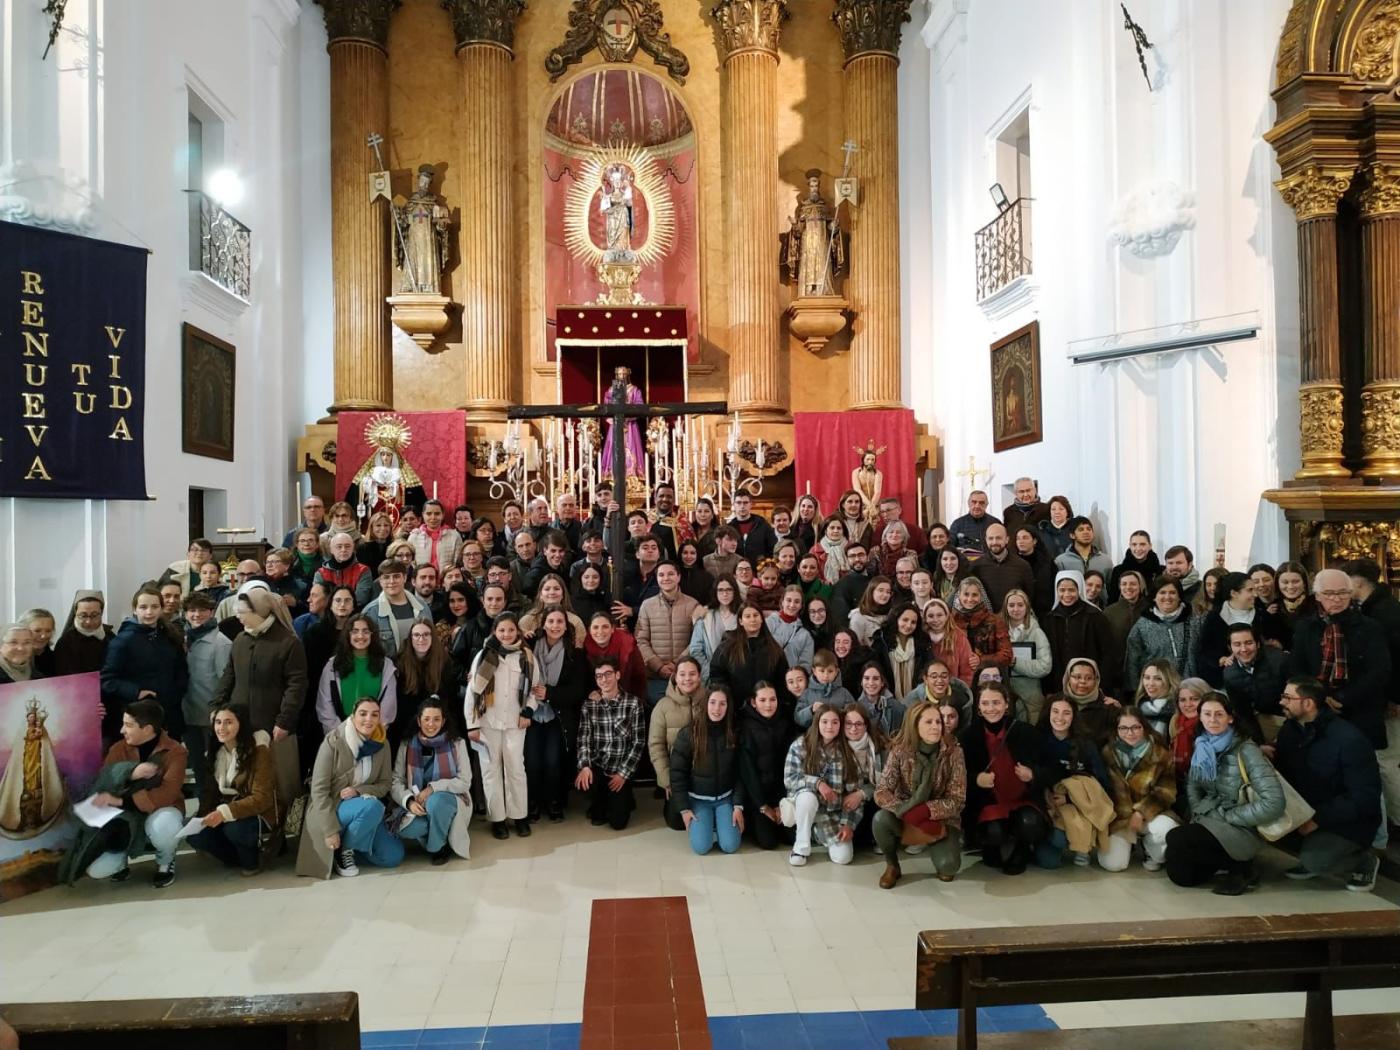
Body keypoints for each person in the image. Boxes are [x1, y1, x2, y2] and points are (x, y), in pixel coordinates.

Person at [1164, 693, 1283, 895]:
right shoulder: (1202, 744)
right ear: (1200, 717)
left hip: (1239, 823)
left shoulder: (1246, 750)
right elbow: (1194, 783)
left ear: (1230, 717)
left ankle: (1242, 865)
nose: (1212, 720)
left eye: (1219, 714)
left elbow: (1274, 802)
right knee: (1182, 876)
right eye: (1207, 714)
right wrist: (1198, 808)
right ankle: (1233, 865)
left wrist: (1230, 816)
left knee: (1175, 837)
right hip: (1210, 815)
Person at [1274, 677, 1382, 891]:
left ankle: (1364, 861)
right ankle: (1312, 853)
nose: (1281, 702)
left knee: (1317, 861)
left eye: (1287, 697)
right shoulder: (1290, 730)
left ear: (1308, 703)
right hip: (1307, 812)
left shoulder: (1349, 740)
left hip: (1348, 822)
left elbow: (1364, 798)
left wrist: (1318, 819)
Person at [66, 699, 187, 888]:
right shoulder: (117, 749)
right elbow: (104, 783)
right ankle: (121, 861)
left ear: (147, 729)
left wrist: (120, 800)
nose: (122, 730)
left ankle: (165, 861)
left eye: (128, 725)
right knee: (96, 871)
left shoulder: (176, 751)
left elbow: (167, 795)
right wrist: (130, 771)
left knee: (165, 826)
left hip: (163, 809)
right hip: (125, 818)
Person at [296, 696, 403, 878]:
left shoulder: (383, 744)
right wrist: (330, 830)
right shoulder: (334, 741)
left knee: (393, 856)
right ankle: (344, 852)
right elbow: (319, 790)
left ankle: (353, 845)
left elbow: (384, 784)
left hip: (364, 809)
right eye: (363, 714)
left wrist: (359, 791)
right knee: (373, 806)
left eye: (374, 715)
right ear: (353, 716)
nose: (368, 719)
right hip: (333, 806)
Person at [1289, 568, 1391, 752]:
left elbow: (1379, 670)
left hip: (1362, 708)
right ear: (1317, 595)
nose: (1336, 599)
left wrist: (1342, 698)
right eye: (1329, 593)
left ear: (1351, 593)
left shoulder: (1370, 627)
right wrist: (1321, 697)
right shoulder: (1306, 627)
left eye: (1343, 593)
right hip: (1318, 708)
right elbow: (1297, 668)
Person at [872, 699, 967, 888]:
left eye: (938, 722)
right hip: (906, 814)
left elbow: (957, 800)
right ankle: (892, 865)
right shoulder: (900, 750)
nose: (935, 727)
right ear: (914, 725)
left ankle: (939, 847)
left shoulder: (953, 752)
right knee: (880, 819)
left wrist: (925, 811)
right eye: (928, 722)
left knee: (948, 868)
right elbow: (882, 791)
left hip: (941, 819)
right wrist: (904, 810)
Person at [959, 682, 1046, 875]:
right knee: (993, 835)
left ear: (1007, 704)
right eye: (986, 703)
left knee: (1030, 824)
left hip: (1024, 799)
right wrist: (976, 780)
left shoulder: (1025, 731)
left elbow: (1051, 766)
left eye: (996, 702)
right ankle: (992, 847)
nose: (991, 708)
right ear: (979, 707)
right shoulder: (968, 736)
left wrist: (1033, 775)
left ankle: (1022, 849)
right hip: (989, 801)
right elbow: (956, 777)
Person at [466, 611, 539, 840]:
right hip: (488, 722)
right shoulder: (483, 656)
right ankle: (497, 818)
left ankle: (519, 816)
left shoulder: (526, 656)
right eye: (501, 630)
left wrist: (529, 710)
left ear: (517, 630)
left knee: (516, 768)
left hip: (516, 722)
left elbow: (534, 688)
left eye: (510, 629)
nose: (506, 634)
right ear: (494, 633)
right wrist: (472, 725)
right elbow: (472, 693)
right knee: (490, 770)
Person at [188, 703, 279, 875]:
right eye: (218, 722)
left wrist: (224, 813)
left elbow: (262, 798)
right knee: (197, 835)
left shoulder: (259, 751)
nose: (221, 728)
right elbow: (209, 793)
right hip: (229, 809)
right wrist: (202, 818)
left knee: (234, 829)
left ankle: (252, 861)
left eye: (228, 722)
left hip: (259, 812)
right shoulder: (216, 753)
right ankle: (237, 858)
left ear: (241, 724)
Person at [99, 585, 188, 746]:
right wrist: (136, 692)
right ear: (135, 610)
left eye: (154, 607)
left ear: (161, 609)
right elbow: (107, 680)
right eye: (143, 607)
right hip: (139, 717)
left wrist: (177, 691)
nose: (149, 612)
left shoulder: (169, 636)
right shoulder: (123, 641)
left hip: (170, 713)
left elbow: (181, 669)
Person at [1032, 696, 1114, 867]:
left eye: (1066, 713)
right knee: (1049, 862)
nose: (1060, 718)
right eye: (1055, 711)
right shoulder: (1037, 740)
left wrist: (1072, 798)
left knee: (1068, 832)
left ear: (1074, 716)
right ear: (1048, 713)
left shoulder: (1086, 744)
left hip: (1078, 804)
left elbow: (1101, 783)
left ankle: (1082, 845)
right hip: (1047, 804)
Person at [389, 696, 472, 865]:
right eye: (426, 719)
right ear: (419, 721)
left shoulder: (457, 743)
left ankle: (437, 847)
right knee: (407, 828)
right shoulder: (407, 744)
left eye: (436, 719)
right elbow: (396, 780)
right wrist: (409, 801)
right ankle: (441, 831)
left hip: (450, 799)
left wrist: (433, 788)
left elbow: (464, 781)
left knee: (437, 802)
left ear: (443, 721)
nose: (431, 724)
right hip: (418, 802)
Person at [1097, 706, 1178, 872]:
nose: (1130, 733)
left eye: (1135, 727)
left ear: (1144, 727)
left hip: (1151, 815)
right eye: (1124, 728)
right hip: (1119, 818)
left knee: (1166, 831)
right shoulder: (1106, 754)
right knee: (1113, 865)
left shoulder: (1161, 754)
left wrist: (1141, 812)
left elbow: (1166, 791)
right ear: (1116, 729)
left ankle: (1150, 848)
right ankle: (1129, 845)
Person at [670, 685, 746, 855]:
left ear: (728, 706)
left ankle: (720, 822)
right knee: (701, 847)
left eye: (722, 704)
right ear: (705, 704)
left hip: (725, 799)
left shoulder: (734, 732)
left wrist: (738, 805)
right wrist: (684, 809)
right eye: (712, 703)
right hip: (698, 800)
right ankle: (709, 823)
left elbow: (741, 773)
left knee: (730, 846)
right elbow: (677, 774)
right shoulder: (689, 733)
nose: (717, 709)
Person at [782, 707, 861, 867]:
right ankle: (800, 848)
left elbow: (853, 792)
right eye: (824, 722)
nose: (829, 727)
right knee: (807, 798)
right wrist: (818, 783)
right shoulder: (800, 745)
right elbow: (790, 779)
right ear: (817, 723)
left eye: (835, 722)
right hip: (804, 805)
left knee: (843, 858)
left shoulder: (846, 753)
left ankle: (816, 836)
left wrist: (848, 823)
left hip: (831, 815)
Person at [575, 657, 645, 830]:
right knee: (595, 811)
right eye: (599, 676)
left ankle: (623, 798)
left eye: (608, 674)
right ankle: (599, 801)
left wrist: (623, 774)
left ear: (618, 675)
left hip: (621, 769)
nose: (604, 680)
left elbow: (638, 742)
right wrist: (584, 766)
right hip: (599, 766)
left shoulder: (633, 703)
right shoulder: (589, 705)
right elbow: (583, 738)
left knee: (618, 823)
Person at [182, 591, 232, 797]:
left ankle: (214, 803)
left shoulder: (221, 643)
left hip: (210, 716)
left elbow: (226, 681)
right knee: (197, 765)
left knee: (214, 765)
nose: (196, 615)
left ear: (212, 612)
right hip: (188, 713)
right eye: (191, 610)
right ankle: (203, 803)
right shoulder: (185, 638)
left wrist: (220, 712)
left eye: (202, 610)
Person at [316, 615, 398, 736]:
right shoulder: (332, 665)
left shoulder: (386, 666)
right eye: (355, 631)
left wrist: (370, 735)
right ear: (347, 635)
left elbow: (388, 709)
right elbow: (325, 705)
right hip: (339, 736)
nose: (360, 636)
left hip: (373, 736)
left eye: (366, 631)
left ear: (372, 635)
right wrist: (341, 735)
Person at [649, 657, 706, 830]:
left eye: (692, 674)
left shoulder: (710, 702)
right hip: (677, 776)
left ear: (699, 676)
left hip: (705, 774)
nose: (687, 679)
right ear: (675, 677)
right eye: (682, 674)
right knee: (677, 824)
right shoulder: (663, 706)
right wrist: (667, 781)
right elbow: (656, 746)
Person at [1043, 570, 1118, 697]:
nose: (1066, 594)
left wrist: (1102, 684)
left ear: (1080, 589)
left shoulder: (1095, 616)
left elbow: (1108, 653)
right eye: (1062, 590)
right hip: (1059, 684)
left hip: (1090, 683)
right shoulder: (1050, 618)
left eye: (1071, 590)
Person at [737, 682, 793, 850]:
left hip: (779, 792)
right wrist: (763, 806)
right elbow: (748, 772)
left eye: (772, 699)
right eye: (762, 700)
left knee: (791, 838)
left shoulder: (785, 723)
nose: (768, 705)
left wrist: (781, 803)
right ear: (754, 702)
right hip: (757, 797)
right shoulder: (745, 726)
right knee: (769, 842)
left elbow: (788, 765)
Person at [635, 561, 701, 703]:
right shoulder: (647, 605)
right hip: (654, 676)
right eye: (661, 575)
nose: (666, 578)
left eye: (670, 574)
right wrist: (658, 666)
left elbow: (697, 640)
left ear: (678, 577)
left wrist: (676, 664)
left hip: (684, 675)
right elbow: (641, 640)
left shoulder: (693, 604)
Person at [709, 604, 790, 714]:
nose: (752, 619)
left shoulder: (774, 649)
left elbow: (782, 680)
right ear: (741, 621)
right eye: (747, 616)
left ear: (762, 619)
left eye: (756, 615)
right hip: (735, 710)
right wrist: (728, 699)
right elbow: (717, 674)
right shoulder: (727, 646)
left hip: (765, 711)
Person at [393, 620, 460, 751]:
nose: (421, 639)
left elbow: (449, 696)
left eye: (426, 634)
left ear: (432, 637)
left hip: (435, 723)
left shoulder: (444, 661)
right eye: (416, 635)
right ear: (410, 638)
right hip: (406, 725)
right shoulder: (399, 662)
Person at [1221, 622, 1289, 742]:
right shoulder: (1229, 674)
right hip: (1265, 718)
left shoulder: (1279, 660)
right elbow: (1243, 714)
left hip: (1291, 715)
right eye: (1237, 644)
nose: (1244, 649)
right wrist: (1259, 744)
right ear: (1230, 648)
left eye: (1249, 643)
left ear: (1258, 644)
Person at [1124, 575, 1194, 690]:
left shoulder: (1194, 621)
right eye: (1162, 592)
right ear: (1154, 597)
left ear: (1179, 596)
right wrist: (1134, 691)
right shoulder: (1142, 626)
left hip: (1189, 691)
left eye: (1172, 592)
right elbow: (1132, 662)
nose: (1167, 597)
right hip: (1156, 691)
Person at [1001, 589, 1053, 723]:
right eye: (1011, 605)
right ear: (1005, 608)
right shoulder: (997, 631)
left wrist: (1016, 663)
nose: (1015, 609)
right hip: (1004, 694)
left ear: (1027, 607)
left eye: (1020, 605)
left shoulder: (1037, 633)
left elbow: (1045, 666)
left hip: (1031, 697)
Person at [951, 577, 1013, 676]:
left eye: (974, 595)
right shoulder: (951, 620)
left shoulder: (996, 620)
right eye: (966, 594)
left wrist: (981, 660)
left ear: (981, 596)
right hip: (959, 676)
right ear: (959, 595)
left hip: (989, 677)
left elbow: (1007, 655)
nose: (970, 599)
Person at [585, 611, 649, 700]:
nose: (600, 631)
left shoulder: (627, 644)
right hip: (595, 698)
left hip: (627, 697)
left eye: (605, 627)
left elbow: (639, 676)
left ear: (612, 629)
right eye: (595, 627)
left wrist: (637, 701)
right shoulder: (584, 648)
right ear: (589, 630)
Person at [970, 523, 1035, 611]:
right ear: (986, 540)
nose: (994, 542)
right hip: (986, 620)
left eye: (998, 538)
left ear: (1007, 539)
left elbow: (1029, 596)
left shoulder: (1022, 566)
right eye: (991, 538)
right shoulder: (976, 566)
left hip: (1013, 619)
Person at [688, 574, 739, 680]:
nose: (725, 594)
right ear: (715, 592)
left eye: (729, 589)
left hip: (738, 672)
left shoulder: (743, 614)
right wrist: (709, 671)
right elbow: (696, 649)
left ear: (735, 591)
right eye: (720, 590)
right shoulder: (705, 615)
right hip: (711, 674)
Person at [53, 590, 116, 676]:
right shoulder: (65, 643)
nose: (88, 622)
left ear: (101, 613)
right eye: (83, 616)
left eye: (94, 615)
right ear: (75, 613)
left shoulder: (110, 637)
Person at [314, 532, 375, 609]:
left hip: (355, 614)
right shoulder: (320, 573)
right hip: (327, 614)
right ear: (331, 549)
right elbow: (319, 598)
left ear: (353, 548)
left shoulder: (363, 570)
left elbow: (361, 599)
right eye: (339, 547)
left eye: (347, 546)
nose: (343, 550)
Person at [766, 585, 816, 673]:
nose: (792, 605)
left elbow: (806, 665)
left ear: (801, 605)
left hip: (791, 681)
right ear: (782, 602)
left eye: (797, 602)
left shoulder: (805, 635)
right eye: (788, 600)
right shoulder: (768, 623)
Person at [1053, 517, 1114, 582]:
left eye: (1089, 529)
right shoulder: (1061, 561)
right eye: (1081, 529)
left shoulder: (1105, 561)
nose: (1086, 532)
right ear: (1072, 535)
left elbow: (1110, 588)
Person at [1133, 659, 1180, 739]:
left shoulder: (1179, 708)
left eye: (1158, 678)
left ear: (1169, 680)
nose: (1150, 683)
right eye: (1147, 678)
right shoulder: (1138, 707)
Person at [726, 492, 776, 561]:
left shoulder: (762, 524)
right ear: (734, 505)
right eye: (738, 503)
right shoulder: (729, 528)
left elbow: (773, 548)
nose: (742, 506)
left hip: (760, 569)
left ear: (751, 504)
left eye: (745, 503)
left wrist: (765, 565)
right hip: (737, 569)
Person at [949, 490, 1000, 558]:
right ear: (968, 503)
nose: (977, 506)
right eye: (974, 502)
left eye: (981, 503)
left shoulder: (995, 523)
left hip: (990, 565)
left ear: (986, 505)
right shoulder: (957, 524)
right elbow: (950, 548)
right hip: (966, 565)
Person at [1275, 561, 1317, 632]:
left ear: (1304, 583)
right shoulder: (1273, 608)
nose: (1290, 586)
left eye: (1295, 582)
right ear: (1277, 584)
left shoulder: (1316, 605)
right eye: (1285, 582)